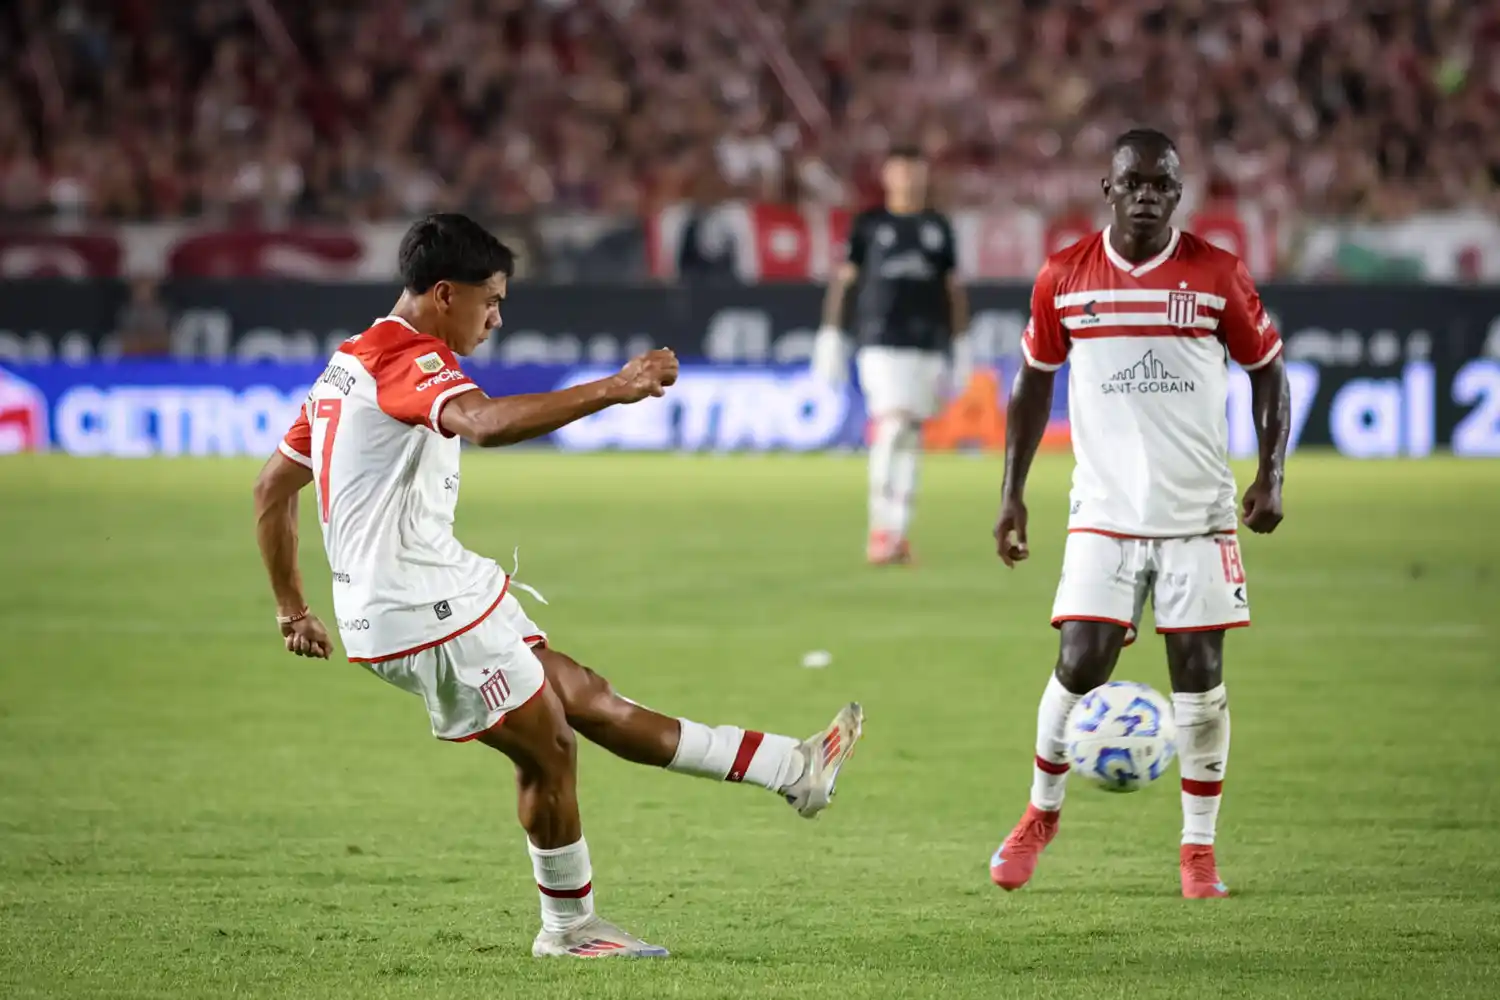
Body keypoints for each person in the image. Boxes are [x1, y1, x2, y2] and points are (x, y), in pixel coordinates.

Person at [252, 213, 864, 959]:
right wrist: (615, 388)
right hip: (420, 610)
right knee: (550, 751)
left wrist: (294, 610)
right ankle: (570, 930)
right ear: (444, 293)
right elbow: (482, 423)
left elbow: (270, 489)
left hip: (440, 588)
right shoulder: (405, 360)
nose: (498, 316)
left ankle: (792, 769)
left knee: (586, 696)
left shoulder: (350, 361)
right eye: (491, 299)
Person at [987, 130, 1289, 899]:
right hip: (1104, 509)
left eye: (1163, 184)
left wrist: (1271, 475)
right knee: (1080, 663)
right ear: (1108, 188)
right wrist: (1012, 492)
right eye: (1135, 182)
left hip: (1198, 514)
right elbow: (1032, 382)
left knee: (1199, 677)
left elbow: (1267, 372)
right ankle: (1040, 813)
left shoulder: (1217, 274)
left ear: (1178, 194)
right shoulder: (1064, 277)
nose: (1148, 194)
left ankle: (1197, 852)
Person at [812, 145, 971, 565]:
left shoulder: (938, 227)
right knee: (894, 424)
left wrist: (961, 344)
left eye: (914, 173)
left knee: (912, 433)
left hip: (928, 343)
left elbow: (952, 290)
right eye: (901, 173)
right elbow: (845, 282)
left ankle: (897, 531)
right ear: (887, 176)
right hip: (879, 340)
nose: (908, 180)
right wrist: (830, 334)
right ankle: (881, 528)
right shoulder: (869, 225)